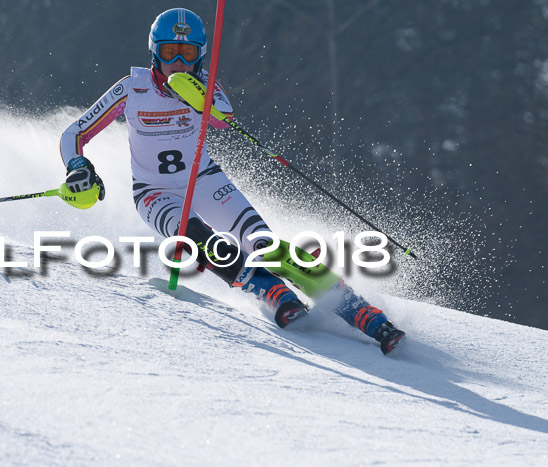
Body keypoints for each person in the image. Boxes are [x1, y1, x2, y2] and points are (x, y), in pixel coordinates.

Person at [59, 8, 406, 354]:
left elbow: (224, 120)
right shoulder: (131, 88)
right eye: (169, 53)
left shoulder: (207, 85)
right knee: (199, 239)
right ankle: (271, 290)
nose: (178, 62)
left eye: (188, 54)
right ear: (154, 53)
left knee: (265, 245)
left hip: (205, 179)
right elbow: (75, 133)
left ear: (201, 56)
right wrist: (78, 166)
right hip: (155, 193)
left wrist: (197, 98)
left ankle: (360, 311)